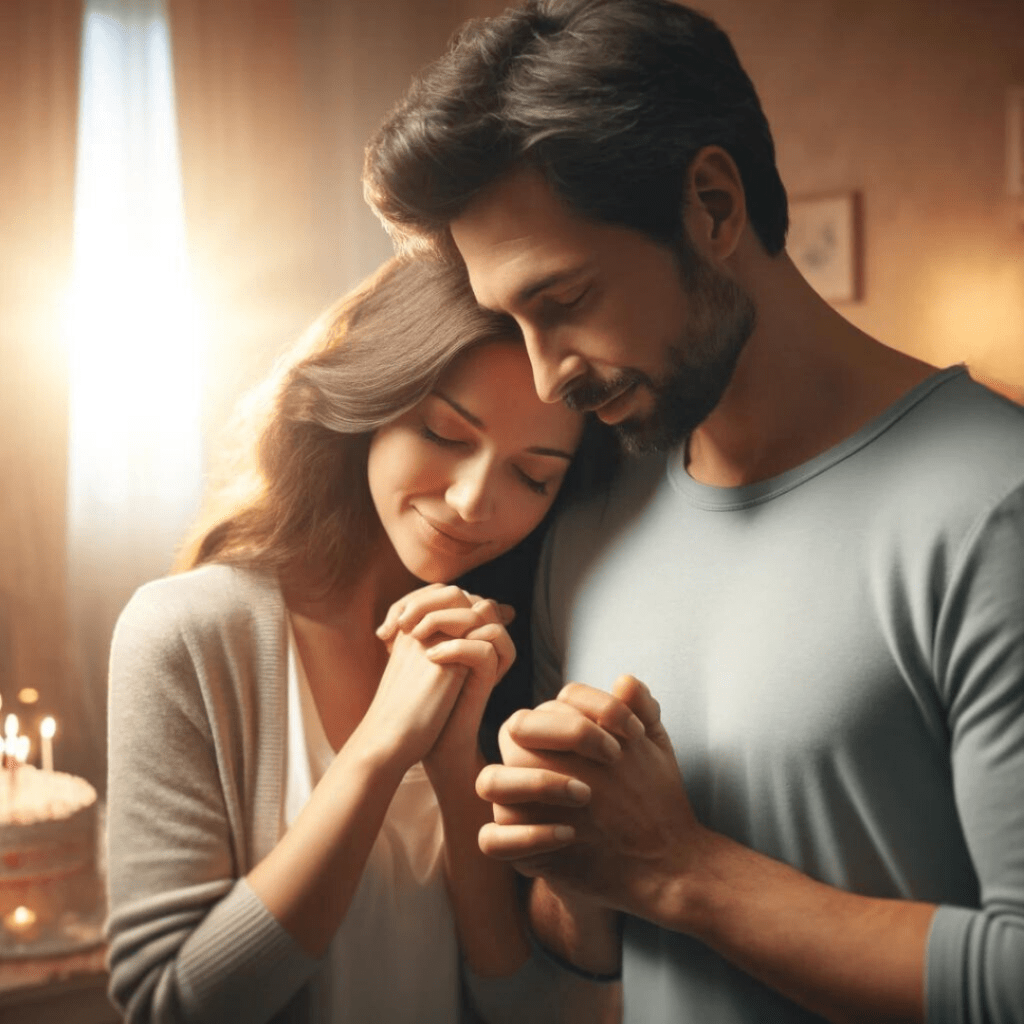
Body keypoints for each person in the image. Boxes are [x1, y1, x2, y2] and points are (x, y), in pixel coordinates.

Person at [362, 1, 1024, 1021]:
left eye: (564, 299)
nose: (546, 374)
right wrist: (580, 872)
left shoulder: (994, 507)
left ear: (713, 206)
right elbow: (585, 938)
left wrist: (679, 870)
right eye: (513, 321)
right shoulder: (588, 516)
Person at [104, 255, 618, 1023]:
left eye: (533, 476)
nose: (475, 501)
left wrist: (454, 768)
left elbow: (536, 1012)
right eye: (446, 433)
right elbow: (169, 1003)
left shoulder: (513, 645)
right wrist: (379, 747)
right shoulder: (185, 632)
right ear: (373, 402)